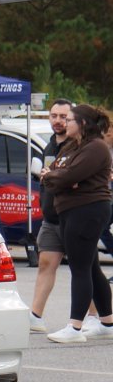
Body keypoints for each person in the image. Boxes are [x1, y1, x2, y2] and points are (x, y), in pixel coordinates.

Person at [38, 103, 113, 343]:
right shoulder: (72, 146)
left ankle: (75, 327)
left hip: (87, 211)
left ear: (81, 123)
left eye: (69, 119)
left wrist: (57, 177)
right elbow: (56, 172)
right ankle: (108, 321)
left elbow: (68, 175)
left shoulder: (96, 148)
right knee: (90, 266)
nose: (65, 123)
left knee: (79, 268)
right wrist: (56, 177)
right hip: (71, 210)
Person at [28, 98, 75, 332]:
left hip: (74, 217)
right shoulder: (49, 145)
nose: (58, 121)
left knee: (85, 269)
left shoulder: (79, 145)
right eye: (54, 116)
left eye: (63, 117)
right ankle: (35, 317)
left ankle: (101, 318)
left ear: (73, 119)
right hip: (51, 218)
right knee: (45, 263)